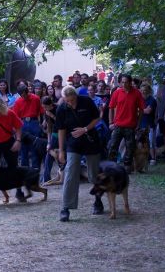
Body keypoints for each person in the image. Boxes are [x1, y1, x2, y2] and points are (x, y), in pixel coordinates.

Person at [56, 86, 103, 222]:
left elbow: (97, 118)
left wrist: (85, 129)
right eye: (67, 101)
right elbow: (61, 130)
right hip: (73, 143)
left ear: (76, 96)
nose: (70, 103)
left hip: (90, 140)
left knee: (93, 174)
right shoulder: (62, 108)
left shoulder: (86, 101)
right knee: (70, 172)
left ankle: (98, 200)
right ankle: (65, 208)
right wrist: (61, 151)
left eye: (72, 100)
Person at [108, 74, 145, 172]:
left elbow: (141, 109)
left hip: (130, 125)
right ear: (120, 83)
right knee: (113, 146)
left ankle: (127, 165)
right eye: (122, 82)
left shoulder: (137, 93)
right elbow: (111, 107)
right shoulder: (117, 92)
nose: (124, 84)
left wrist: (138, 123)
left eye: (126, 82)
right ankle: (112, 166)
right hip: (118, 125)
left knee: (130, 147)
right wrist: (110, 122)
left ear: (130, 82)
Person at [13, 84, 44, 170]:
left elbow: (41, 111)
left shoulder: (36, 98)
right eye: (21, 95)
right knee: (23, 148)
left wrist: (42, 123)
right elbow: (15, 116)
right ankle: (24, 169)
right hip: (23, 123)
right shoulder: (18, 101)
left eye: (24, 95)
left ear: (27, 92)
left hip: (34, 122)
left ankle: (35, 169)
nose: (23, 97)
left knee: (35, 146)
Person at [139, 83, 158, 165]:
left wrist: (139, 110)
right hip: (140, 124)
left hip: (149, 124)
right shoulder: (139, 99)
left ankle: (153, 158)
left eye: (145, 90)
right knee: (141, 143)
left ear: (149, 91)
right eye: (142, 90)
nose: (143, 92)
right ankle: (144, 158)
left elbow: (148, 111)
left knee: (150, 142)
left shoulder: (152, 100)